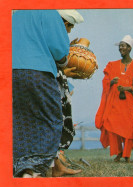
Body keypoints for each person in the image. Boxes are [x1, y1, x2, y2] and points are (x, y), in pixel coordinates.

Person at [12, 10, 70, 177]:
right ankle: (35, 168)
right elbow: (60, 50)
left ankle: (22, 167)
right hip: (38, 72)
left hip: (10, 71)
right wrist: (64, 61)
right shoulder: (48, 11)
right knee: (52, 118)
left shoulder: (16, 13)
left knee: (20, 120)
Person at [95, 35, 133, 163]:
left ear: (130, 48)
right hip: (114, 102)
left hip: (129, 103)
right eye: (120, 46)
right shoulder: (112, 65)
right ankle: (119, 152)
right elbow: (105, 82)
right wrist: (111, 83)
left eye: (124, 45)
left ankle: (127, 155)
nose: (121, 48)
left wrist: (127, 89)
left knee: (128, 127)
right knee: (111, 125)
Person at [52, 9, 84, 177]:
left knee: (56, 121)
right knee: (56, 121)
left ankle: (57, 166)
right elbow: (59, 61)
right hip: (52, 83)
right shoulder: (57, 35)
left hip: (55, 80)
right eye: (70, 26)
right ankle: (56, 167)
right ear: (65, 24)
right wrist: (67, 71)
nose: (70, 30)